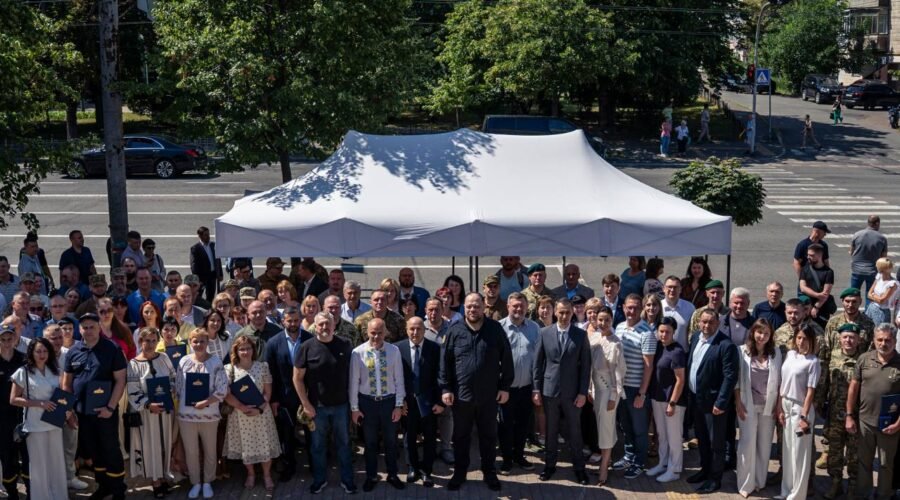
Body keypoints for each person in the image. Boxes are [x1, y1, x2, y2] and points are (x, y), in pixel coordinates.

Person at [439, 293, 514, 492]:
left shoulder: (494, 329)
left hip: (489, 396)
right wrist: (446, 388)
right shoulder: (455, 330)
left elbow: (507, 358)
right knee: (461, 437)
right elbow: (445, 362)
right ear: (464, 308)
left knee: (488, 436)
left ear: (483, 307)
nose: (473, 310)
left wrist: (505, 387)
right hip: (461, 396)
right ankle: (459, 473)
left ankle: (489, 473)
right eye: (469, 306)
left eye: (477, 306)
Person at [62, 312, 128, 500]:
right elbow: (66, 384)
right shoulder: (73, 351)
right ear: (79, 329)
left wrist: (110, 408)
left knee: (110, 450)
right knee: (94, 451)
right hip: (82, 413)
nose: (88, 330)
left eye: (92, 326)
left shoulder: (112, 348)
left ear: (99, 327)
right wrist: (69, 411)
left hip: (105, 412)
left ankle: (118, 490)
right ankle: (103, 486)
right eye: (85, 327)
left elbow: (120, 380)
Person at [292, 311, 356, 495]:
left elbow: (354, 374)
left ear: (334, 325)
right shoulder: (306, 347)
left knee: (344, 444)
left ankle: (347, 480)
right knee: (317, 446)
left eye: (328, 323)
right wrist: (306, 404)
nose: (324, 327)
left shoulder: (346, 345)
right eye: (320, 324)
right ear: (315, 326)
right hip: (316, 408)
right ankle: (319, 480)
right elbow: (297, 378)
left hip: (341, 406)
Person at [533, 299, 591, 485]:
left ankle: (579, 468)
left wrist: (582, 392)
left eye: (567, 312)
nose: (564, 316)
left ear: (572, 313)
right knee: (551, 431)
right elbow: (537, 363)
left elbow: (586, 367)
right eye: (561, 312)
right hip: (549, 391)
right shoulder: (544, 333)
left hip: (573, 393)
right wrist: (536, 389)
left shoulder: (580, 335)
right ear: (555, 312)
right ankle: (549, 466)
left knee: (575, 431)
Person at [685, 308, 738, 494]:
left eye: (711, 322)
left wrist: (721, 402)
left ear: (718, 323)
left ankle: (715, 479)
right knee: (702, 439)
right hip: (697, 400)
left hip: (714, 404)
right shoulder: (695, 338)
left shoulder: (726, 345)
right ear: (699, 322)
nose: (707, 325)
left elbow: (730, 377)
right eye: (704, 321)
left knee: (716, 443)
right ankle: (705, 470)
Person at [349, 318, 406, 492]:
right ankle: (371, 476)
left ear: (385, 332)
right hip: (368, 404)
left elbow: (399, 379)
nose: (376, 336)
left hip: (389, 402)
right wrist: (354, 408)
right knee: (370, 443)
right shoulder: (357, 352)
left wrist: (398, 405)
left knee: (391, 442)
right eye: (373, 333)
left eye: (380, 333)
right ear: (367, 332)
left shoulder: (394, 351)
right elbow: (354, 382)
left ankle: (393, 474)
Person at [847, 323, 900, 500]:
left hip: (890, 425)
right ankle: (863, 494)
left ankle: (884, 495)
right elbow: (853, 388)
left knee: (886, 463)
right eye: (880, 339)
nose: (883, 343)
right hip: (865, 422)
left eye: (888, 340)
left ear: (895, 341)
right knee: (864, 462)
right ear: (874, 340)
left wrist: (898, 424)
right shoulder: (864, 359)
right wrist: (849, 415)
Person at [223, 336, 281, 496]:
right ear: (236, 351)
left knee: (264, 445)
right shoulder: (229, 369)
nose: (245, 352)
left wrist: (260, 409)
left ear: (253, 350)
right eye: (241, 349)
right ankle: (251, 474)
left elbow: (267, 392)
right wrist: (242, 407)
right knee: (246, 447)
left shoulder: (262, 367)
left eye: (248, 348)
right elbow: (226, 394)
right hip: (240, 415)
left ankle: (267, 476)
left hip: (261, 414)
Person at [9, 337, 66, 500]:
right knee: (39, 465)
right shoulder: (23, 372)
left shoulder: (56, 370)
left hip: (54, 423)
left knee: (56, 462)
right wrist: (40, 403)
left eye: (45, 351)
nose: (42, 354)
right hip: (34, 425)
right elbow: (13, 399)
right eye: (38, 351)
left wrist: (67, 411)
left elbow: (62, 395)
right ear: (31, 353)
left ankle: (59, 496)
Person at [176, 328, 228, 499]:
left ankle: (207, 482)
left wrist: (205, 402)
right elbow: (178, 387)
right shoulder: (183, 361)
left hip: (209, 415)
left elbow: (222, 389)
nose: (198, 344)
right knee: (191, 452)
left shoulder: (216, 362)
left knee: (210, 450)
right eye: (195, 341)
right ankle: (195, 482)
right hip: (186, 416)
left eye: (202, 341)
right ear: (190, 342)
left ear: (207, 342)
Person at [735, 319, 783, 498]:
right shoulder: (742, 351)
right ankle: (745, 484)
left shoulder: (776, 352)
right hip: (747, 404)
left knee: (764, 445)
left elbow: (780, 381)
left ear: (771, 335)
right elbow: (736, 380)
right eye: (759, 332)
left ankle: (759, 481)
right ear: (753, 332)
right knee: (747, 444)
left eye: (766, 333)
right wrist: (737, 403)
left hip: (768, 406)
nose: (762, 336)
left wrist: (778, 406)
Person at [263, 306, 312, 482]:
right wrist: (274, 399)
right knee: (287, 435)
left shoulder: (310, 339)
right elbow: (271, 373)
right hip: (284, 397)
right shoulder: (273, 343)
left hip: (307, 396)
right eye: (289, 321)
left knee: (311, 433)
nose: (293, 324)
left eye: (296, 320)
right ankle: (289, 466)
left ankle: (314, 465)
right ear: (283, 321)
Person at [126, 327, 176, 498]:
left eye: (154, 340)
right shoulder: (133, 364)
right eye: (147, 341)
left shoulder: (164, 357)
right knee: (151, 446)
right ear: (140, 341)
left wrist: (171, 390)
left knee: (164, 443)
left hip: (165, 410)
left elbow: (173, 377)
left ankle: (163, 475)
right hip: (147, 414)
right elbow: (133, 391)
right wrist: (148, 404)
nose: (151, 344)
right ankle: (155, 481)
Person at [816, 323, 862, 499]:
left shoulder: (864, 360)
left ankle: (853, 486)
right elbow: (824, 383)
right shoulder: (832, 357)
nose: (848, 340)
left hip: (856, 415)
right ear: (839, 339)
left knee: (854, 454)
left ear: (858, 340)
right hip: (834, 414)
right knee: (834, 453)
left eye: (852, 337)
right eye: (845, 337)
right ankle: (836, 483)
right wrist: (819, 403)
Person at [612, 294, 656, 479]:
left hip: (636, 389)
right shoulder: (619, 327)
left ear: (641, 309)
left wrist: (642, 393)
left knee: (639, 429)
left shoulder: (647, 333)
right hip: (621, 387)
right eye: (629, 307)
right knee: (626, 426)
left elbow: (648, 366)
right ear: (623, 307)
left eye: (636, 308)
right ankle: (629, 455)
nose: (632, 311)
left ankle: (639, 461)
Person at [497, 292, 540, 475]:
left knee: (523, 424)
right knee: (505, 425)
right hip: (506, 389)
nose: (518, 309)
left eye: (522, 306)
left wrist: (536, 388)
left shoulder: (534, 328)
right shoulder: (499, 328)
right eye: (515, 306)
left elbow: (538, 359)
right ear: (508, 306)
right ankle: (507, 459)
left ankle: (519, 456)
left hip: (527, 387)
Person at [396, 317, 442, 487]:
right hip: (407, 402)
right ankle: (412, 467)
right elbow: (395, 377)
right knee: (409, 436)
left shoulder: (435, 348)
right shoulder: (397, 348)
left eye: (419, 329)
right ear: (406, 329)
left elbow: (441, 376)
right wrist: (399, 402)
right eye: (412, 329)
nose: (415, 332)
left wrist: (440, 402)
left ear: (424, 330)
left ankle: (426, 471)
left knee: (430, 437)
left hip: (429, 402)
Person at [777, 324, 819, 500]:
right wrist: (779, 406)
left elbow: (810, 392)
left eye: (805, 339)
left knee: (800, 454)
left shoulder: (813, 362)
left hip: (800, 408)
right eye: (799, 338)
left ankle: (797, 495)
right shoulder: (790, 355)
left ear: (811, 340)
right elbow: (782, 382)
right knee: (787, 451)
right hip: (785, 404)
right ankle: (786, 491)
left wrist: (804, 416)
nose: (801, 342)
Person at [587, 304, 625, 486]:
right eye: (600, 319)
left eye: (607, 320)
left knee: (606, 430)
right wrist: (589, 389)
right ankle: (606, 460)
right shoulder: (594, 338)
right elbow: (590, 367)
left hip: (608, 391)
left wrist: (613, 397)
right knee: (601, 427)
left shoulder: (616, 343)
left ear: (612, 321)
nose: (603, 323)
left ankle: (603, 468)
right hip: (595, 390)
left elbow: (619, 373)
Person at [649, 317, 689, 484]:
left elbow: (680, 380)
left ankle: (675, 469)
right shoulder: (659, 347)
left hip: (672, 401)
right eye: (661, 331)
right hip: (657, 397)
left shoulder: (677, 351)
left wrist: (672, 403)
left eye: (667, 332)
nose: (664, 335)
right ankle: (663, 463)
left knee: (674, 437)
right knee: (662, 434)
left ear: (674, 332)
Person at [0, 325, 29, 499]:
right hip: (2, 418)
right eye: (2, 339)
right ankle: (12, 493)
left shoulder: (24, 359)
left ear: (15, 339)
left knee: (27, 455)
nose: (6, 342)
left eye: (9, 338)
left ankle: (31, 491)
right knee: (7, 456)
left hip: (23, 414)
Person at [850, 215, 888, 303]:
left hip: (857, 270)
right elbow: (883, 258)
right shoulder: (882, 238)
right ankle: (868, 311)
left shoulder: (857, 234)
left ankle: (852, 309)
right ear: (877, 223)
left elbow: (851, 252)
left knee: (853, 294)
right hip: (872, 271)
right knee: (870, 295)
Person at [799, 243, 836, 328]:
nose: (808, 257)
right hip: (806, 305)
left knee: (820, 329)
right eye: (808, 255)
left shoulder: (828, 272)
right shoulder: (805, 269)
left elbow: (825, 293)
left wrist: (816, 307)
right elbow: (803, 288)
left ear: (819, 256)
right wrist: (817, 295)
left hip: (821, 308)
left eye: (811, 255)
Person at [661, 275, 695, 350]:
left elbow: (694, 332)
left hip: (683, 353)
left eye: (675, 287)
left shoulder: (690, 308)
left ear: (680, 289)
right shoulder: (658, 307)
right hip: (660, 353)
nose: (672, 290)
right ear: (663, 289)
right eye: (669, 287)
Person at [189, 226, 223, 304]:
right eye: (205, 235)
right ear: (200, 236)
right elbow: (194, 265)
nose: (208, 237)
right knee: (198, 296)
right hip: (202, 277)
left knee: (211, 295)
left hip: (212, 275)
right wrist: (198, 279)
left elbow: (218, 260)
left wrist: (220, 274)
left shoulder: (213, 245)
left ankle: (209, 308)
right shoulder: (195, 248)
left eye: (208, 234)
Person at [868, 258, 898, 324]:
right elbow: (869, 294)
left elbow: (882, 301)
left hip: (882, 312)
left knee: (879, 329)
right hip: (872, 307)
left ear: (881, 268)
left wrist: (873, 295)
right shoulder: (879, 276)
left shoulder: (892, 284)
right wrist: (877, 297)